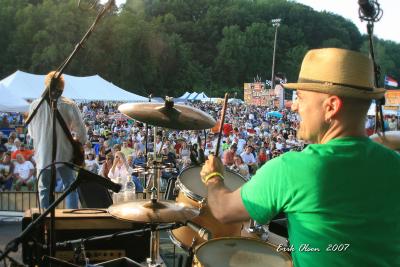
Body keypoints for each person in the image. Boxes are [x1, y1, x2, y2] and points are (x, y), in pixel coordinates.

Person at [200, 48, 400, 266]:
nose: (294, 106)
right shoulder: (394, 163)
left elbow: (222, 210)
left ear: (331, 106)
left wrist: (214, 177)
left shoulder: (291, 169)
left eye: (301, 98)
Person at [27, 71, 87, 209]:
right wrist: (77, 143)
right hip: (65, 154)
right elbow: (82, 133)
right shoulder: (69, 104)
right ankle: (70, 222)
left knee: (44, 190)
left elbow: (32, 133)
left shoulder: (34, 106)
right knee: (70, 187)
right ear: (62, 87)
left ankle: (46, 222)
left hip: (43, 155)